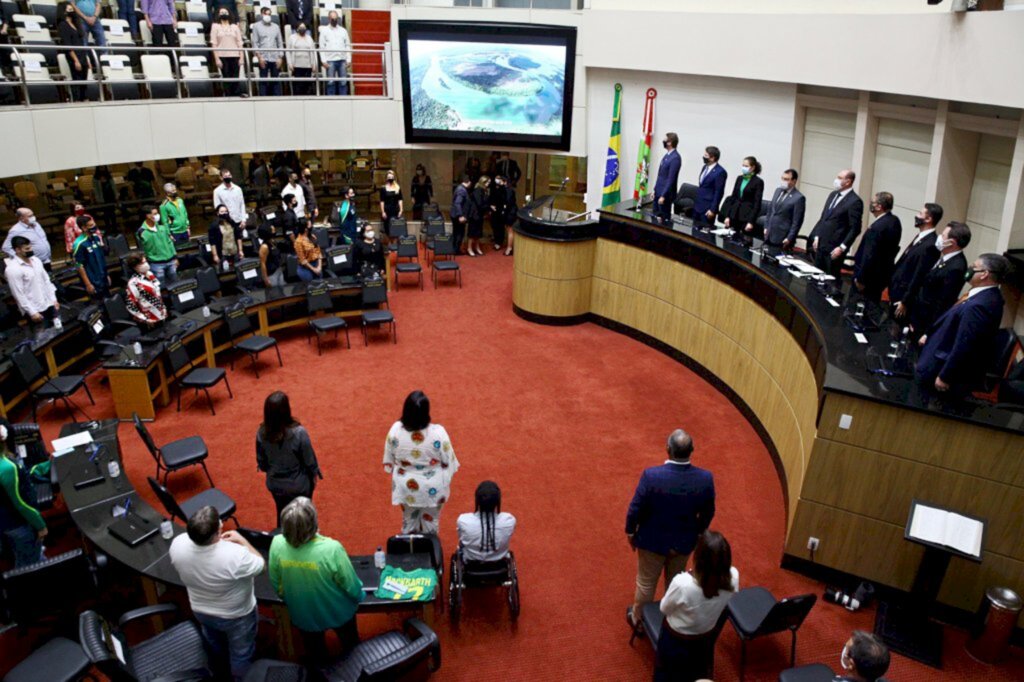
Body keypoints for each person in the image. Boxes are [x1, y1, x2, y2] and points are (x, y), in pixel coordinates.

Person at [626, 428, 715, 629]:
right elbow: (708, 512)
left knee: (646, 584)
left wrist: (631, 532)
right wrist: (697, 533)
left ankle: (638, 620)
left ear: (668, 449)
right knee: (675, 584)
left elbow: (635, 508)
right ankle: (668, 622)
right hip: (683, 543)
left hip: (651, 542)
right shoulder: (705, 478)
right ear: (692, 450)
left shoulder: (652, 476)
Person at [169, 506, 265, 681]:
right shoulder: (235, 555)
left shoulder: (178, 543)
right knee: (241, 654)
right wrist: (242, 540)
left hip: (201, 610)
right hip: (237, 615)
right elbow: (260, 564)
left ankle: (220, 672)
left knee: (215, 644)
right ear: (217, 532)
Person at [269, 497, 364, 662]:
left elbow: (277, 583)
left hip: (303, 614)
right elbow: (350, 584)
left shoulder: (277, 543)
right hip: (339, 611)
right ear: (313, 523)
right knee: (352, 649)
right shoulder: (331, 548)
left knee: (316, 654)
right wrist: (359, 597)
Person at [916, 253, 1009, 399]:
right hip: (936, 358)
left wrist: (945, 376)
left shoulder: (980, 305)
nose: (970, 268)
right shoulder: (983, 296)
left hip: (940, 373)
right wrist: (929, 334)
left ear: (984, 274)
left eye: (974, 267)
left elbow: (965, 343)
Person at [655, 530, 738, 682]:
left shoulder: (682, 584)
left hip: (675, 640)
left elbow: (663, 608)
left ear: (698, 558)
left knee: (666, 673)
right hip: (704, 638)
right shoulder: (734, 577)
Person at [383, 391, 459, 534]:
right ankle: (430, 550)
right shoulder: (438, 433)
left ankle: (407, 549)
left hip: (405, 486)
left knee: (408, 521)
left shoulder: (395, 430)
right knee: (431, 524)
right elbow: (449, 462)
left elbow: (389, 459)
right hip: (433, 488)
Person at [257, 391, 322, 519]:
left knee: (283, 514)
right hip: (299, 485)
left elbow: (262, 463)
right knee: (304, 517)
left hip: (275, 485)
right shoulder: (299, 433)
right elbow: (309, 461)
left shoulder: (261, 433)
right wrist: (314, 475)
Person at [908, 222, 970, 337]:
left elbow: (943, 303)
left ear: (951, 243)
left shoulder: (956, 267)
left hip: (925, 324)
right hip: (917, 316)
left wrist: (928, 332)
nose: (939, 237)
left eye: (943, 235)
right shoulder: (944, 257)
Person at [0, 419, 46, 568]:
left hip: (4, 523)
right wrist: (40, 525)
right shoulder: (7, 468)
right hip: (16, 523)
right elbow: (20, 503)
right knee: (29, 562)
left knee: (20, 552)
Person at [890, 203, 943, 320]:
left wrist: (905, 301)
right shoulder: (921, 237)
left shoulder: (931, 245)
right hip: (896, 289)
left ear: (929, 219)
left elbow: (919, 275)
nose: (917, 216)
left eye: (920, 213)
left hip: (904, 297)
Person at [808, 169, 864, 278]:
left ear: (848, 182)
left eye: (839, 178)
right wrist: (817, 236)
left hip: (834, 249)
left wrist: (842, 247)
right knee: (815, 277)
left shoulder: (855, 201)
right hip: (821, 245)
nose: (836, 180)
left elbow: (855, 228)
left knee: (829, 280)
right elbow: (824, 218)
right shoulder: (832, 194)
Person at [852, 192, 901, 302]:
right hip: (881, 276)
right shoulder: (894, 221)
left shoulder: (877, 227)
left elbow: (869, 255)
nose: (871, 204)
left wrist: (861, 279)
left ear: (879, 206)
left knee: (859, 305)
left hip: (868, 279)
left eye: (873, 202)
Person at [457, 481, 516, 563]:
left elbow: (461, 539)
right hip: (499, 565)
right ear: (497, 502)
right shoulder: (509, 520)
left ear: (477, 501)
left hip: (471, 565)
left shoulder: (463, 520)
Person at [7, 236, 59, 327]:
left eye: (30, 247)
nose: (30, 250)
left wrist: (53, 299)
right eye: (27, 248)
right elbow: (18, 294)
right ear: (17, 250)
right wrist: (32, 312)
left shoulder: (36, 260)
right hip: (36, 310)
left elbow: (46, 281)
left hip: (49, 303)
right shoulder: (12, 269)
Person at [722, 156, 764, 237]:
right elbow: (733, 197)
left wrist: (751, 222)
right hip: (734, 214)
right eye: (743, 165)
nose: (743, 168)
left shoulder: (758, 182)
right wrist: (728, 216)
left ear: (753, 168)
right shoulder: (740, 178)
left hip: (746, 216)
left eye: (746, 166)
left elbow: (757, 203)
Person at [762, 168, 805, 249]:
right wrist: (766, 227)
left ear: (794, 181)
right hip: (769, 233)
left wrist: (789, 238)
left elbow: (797, 222)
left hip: (782, 237)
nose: (783, 181)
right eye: (782, 178)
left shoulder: (799, 198)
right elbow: (770, 210)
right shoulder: (778, 190)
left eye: (786, 179)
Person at [137, 205, 178, 286]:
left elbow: (170, 243)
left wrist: (175, 257)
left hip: (171, 261)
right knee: (160, 287)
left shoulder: (162, 227)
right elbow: (142, 249)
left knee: (175, 284)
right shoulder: (142, 232)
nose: (157, 215)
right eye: (155, 214)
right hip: (156, 264)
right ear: (148, 216)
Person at [124, 252, 168, 326]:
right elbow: (130, 305)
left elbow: (157, 294)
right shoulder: (133, 283)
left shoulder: (150, 274)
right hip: (150, 320)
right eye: (142, 263)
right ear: (135, 267)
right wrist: (144, 319)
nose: (146, 264)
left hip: (161, 313)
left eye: (146, 262)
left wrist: (163, 307)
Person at [58, 4, 90, 102]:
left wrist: (86, 59)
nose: (71, 10)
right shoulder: (63, 25)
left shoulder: (77, 24)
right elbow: (67, 44)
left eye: (72, 9)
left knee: (84, 79)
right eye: (68, 9)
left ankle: (84, 98)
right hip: (73, 55)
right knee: (77, 78)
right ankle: (77, 100)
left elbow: (82, 42)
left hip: (82, 54)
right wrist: (76, 60)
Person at [72, 215, 110, 298]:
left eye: (94, 224)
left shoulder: (96, 238)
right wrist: (88, 284)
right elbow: (79, 266)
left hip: (103, 277)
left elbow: (101, 258)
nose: (94, 227)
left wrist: (106, 275)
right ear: (84, 228)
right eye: (91, 225)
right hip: (93, 280)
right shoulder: (79, 244)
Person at [211, 10, 244, 97]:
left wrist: (242, 57)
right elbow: (214, 44)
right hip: (222, 55)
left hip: (235, 55)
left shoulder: (234, 27)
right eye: (221, 12)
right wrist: (217, 58)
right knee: (226, 77)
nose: (224, 14)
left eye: (225, 12)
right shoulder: (215, 26)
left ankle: (237, 95)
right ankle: (228, 95)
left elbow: (239, 42)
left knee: (235, 77)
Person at [692, 146, 727, 229]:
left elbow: (719, 192)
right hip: (697, 206)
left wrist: (713, 209)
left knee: (704, 235)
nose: (704, 157)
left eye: (706, 155)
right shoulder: (705, 167)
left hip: (707, 209)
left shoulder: (720, 172)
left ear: (712, 158)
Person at [253, 6, 284, 97]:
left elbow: (280, 43)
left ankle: (277, 100)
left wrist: (280, 57)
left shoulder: (276, 27)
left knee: (276, 81)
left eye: (269, 14)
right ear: (261, 14)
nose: (268, 16)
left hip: (275, 57)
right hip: (263, 57)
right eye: (266, 14)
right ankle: (263, 99)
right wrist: (259, 57)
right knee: (263, 80)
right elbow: (255, 43)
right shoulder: (256, 26)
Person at [319, 11, 350, 96]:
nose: (334, 20)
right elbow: (321, 46)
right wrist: (323, 61)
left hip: (342, 59)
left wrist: (349, 59)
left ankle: (344, 101)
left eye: (336, 18)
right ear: (329, 19)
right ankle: (330, 101)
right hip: (330, 60)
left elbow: (347, 45)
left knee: (343, 82)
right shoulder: (324, 30)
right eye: (332, 18)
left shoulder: (343, 31)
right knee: (330, 82)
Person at [653, 132, 681, 222]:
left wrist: (663, 195)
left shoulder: (675, 158)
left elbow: (671, 179)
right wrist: (655, 190)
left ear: (670, 142)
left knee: (663, 219)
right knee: (655, 217)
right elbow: (660, 175)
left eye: (665, 140)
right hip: (658, 191)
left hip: (665, 195)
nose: (663, 141)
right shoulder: (667, 155)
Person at [209, 205, 244, 272]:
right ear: (217, 213)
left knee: (238, 271)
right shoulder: (214, 226)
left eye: (226, 211)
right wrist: (215, 255)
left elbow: (238, 237)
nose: (224, 213)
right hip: (223, 254)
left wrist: (240, 250)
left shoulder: (232, 222)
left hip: (234, 251)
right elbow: (212, 242)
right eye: (222, 212)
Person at [288, 24, 316, 96]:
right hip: (296, 65)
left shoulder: (309, 38)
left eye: (304, 27)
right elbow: (288, 52)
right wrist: (290, 63)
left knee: (307, 86)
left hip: (308, 65)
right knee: (298, 86)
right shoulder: (292, 38)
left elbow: (313, 52)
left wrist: (314, 64)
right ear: (297, 28)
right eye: (301, 27)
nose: (302, 29)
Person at [258, 223, 286, 287]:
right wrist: (266, 279)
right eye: (271, 228)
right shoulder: (264, 247)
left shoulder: (273, 241)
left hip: (278, 270)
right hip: (271, 274)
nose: (273, 228)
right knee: (275, 294)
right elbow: (263, 264)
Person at [450, 175, 471, 255]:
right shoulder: (462, 190)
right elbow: (458, 203)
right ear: (468, 182)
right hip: (458, 215)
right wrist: (461, 215)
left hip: (454, 214)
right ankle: (456, 250)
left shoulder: (459, 188)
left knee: (456, 232)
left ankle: (454, 249)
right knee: (459, 233)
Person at [379, 171, 403, 239]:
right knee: (387, 228)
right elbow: (382, 201)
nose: (390, 178)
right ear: (386, 178)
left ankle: (395, 245)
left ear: (394, 178)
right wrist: (383, 211)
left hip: (395, 210)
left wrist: (401, 210)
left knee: (395, 227)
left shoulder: (398, 188)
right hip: (387, 210)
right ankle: (389, 245)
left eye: (392, 177)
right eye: (389, 177)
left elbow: (400, 200)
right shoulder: (383, 188)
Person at [489, 175, 509, 252]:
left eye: (499, 178)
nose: (497, 180)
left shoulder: (504, 189)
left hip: (500, 210)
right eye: (496, 178)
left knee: (500, 226)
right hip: (493, 209)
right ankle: (496, 238)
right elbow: (491, 197)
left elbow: (504, 200)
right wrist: (490, 206)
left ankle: (499, 242)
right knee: (494, 225)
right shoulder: (493, 187)